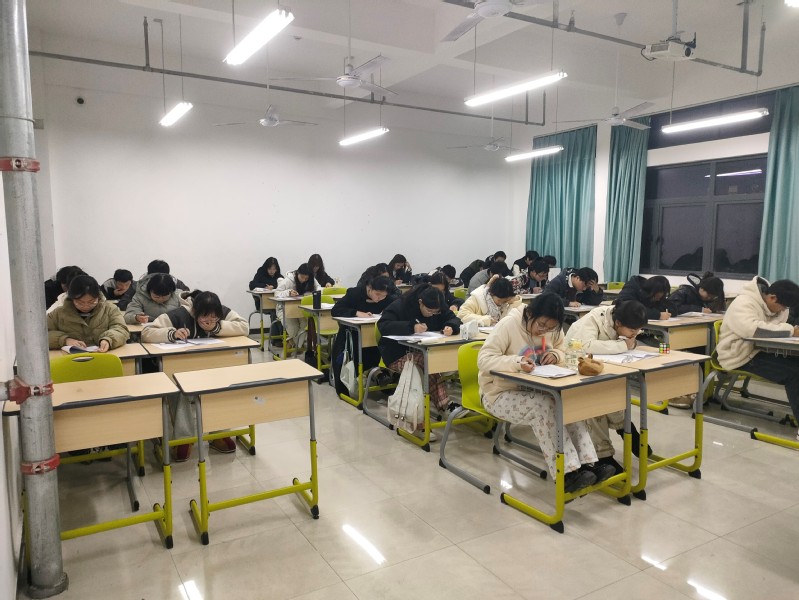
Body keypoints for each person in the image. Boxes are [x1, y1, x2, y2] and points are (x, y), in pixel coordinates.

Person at [477, 295, 615, 492]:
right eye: (541, 325)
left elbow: (564, 348)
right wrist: (516, 362)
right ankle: (567, 473)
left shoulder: (552, 330)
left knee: (566, 403)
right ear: (530, 313)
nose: (543, 331)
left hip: (538, 389)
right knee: (544, 406)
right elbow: (484, 359)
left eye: (550, 328)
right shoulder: (509, 325)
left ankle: (589, 464)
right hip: (499, 394)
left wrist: (555, 354)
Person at [142, 290, 248, 460]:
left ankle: (218, 433)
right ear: (195, 311)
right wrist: (172, 333)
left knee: (222, 388)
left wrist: (218, 327)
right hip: (182, 371)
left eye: (214, 318)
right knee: (178, 391)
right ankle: (184, 438)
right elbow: (147, 332)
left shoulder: (222, 311)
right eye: (205, 317)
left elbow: (244, 326)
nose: (209, 321)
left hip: (213, 369)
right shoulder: (179, 315)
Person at [567, 300, 652, 473]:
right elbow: (586, 346)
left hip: (603, 370)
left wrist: (629, 343)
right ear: (618, 323)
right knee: (596, 403)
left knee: (614, 395)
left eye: (638, 330)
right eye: (632, 331)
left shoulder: (624, 322)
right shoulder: (593, 319)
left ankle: (626, 429)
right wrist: (623, 345)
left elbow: (629, 344)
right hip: (576, 370)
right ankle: (603, 454)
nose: (635, 334)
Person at [717, 277, 799, 440]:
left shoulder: (776, 306)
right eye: (783, 306)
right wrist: (790, 331)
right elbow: (754, 331)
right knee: (794, 375)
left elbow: (780, 327)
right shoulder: (744, 303)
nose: (783, 311)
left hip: (760, 350)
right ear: (772, 297)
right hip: (739, 354)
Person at [377, 284, 461, 413]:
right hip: (396, 353)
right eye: (429, 311)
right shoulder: (401, 305)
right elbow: (383, 325)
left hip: (426, 350)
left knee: (428, 360)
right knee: (426, 361)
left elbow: (453, 318)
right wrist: (411, 327)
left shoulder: (438, 305)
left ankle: (443, 405)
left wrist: (451, 326)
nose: (432, 314)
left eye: (436, 312)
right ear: (420, 302)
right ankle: (446, 406)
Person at [330, 276, 397, 395]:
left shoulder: (387, 298)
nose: (379, 299)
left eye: (383, 296)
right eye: (377, 294)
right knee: (354, 351)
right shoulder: (355, 294)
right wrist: (356, 313)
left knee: (388, 347)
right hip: (351, 334)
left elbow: (396, 308)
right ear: (369, 288)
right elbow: (336, 310)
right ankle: (348, 385)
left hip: (375, 335)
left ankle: (383, 378)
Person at [48, 274, 129, 351]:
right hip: (70, 358)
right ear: (72, 299)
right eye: (80, 302)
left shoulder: (110, 309)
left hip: (102, 355)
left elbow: (121, 329)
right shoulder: (58, 314)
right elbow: (44, 335)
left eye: (91, 302)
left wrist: (108, 340)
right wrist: (65, 340)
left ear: (98, 297)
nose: (86, 306)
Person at [274, 263, 321, 350]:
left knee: (305, 325)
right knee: (293, 329)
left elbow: (319, 288)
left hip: (301, 309)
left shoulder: (311, 279)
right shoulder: (288, 280)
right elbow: (277, 293)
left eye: (306, 278)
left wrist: (312, 293)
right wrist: (288, 292)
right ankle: (296, 346)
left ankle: (293, 344)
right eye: (302, 277)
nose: (304, 280)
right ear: (297, 273)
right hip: (285, 309)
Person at [458, 276, 522, 326]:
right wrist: (485, 320)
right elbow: (461, 315)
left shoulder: (508, 302)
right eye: (499, 300)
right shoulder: (477, 298)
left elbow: (517, 319)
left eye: (504, 301)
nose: (501, 303)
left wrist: (515, 302)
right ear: (491, 294)